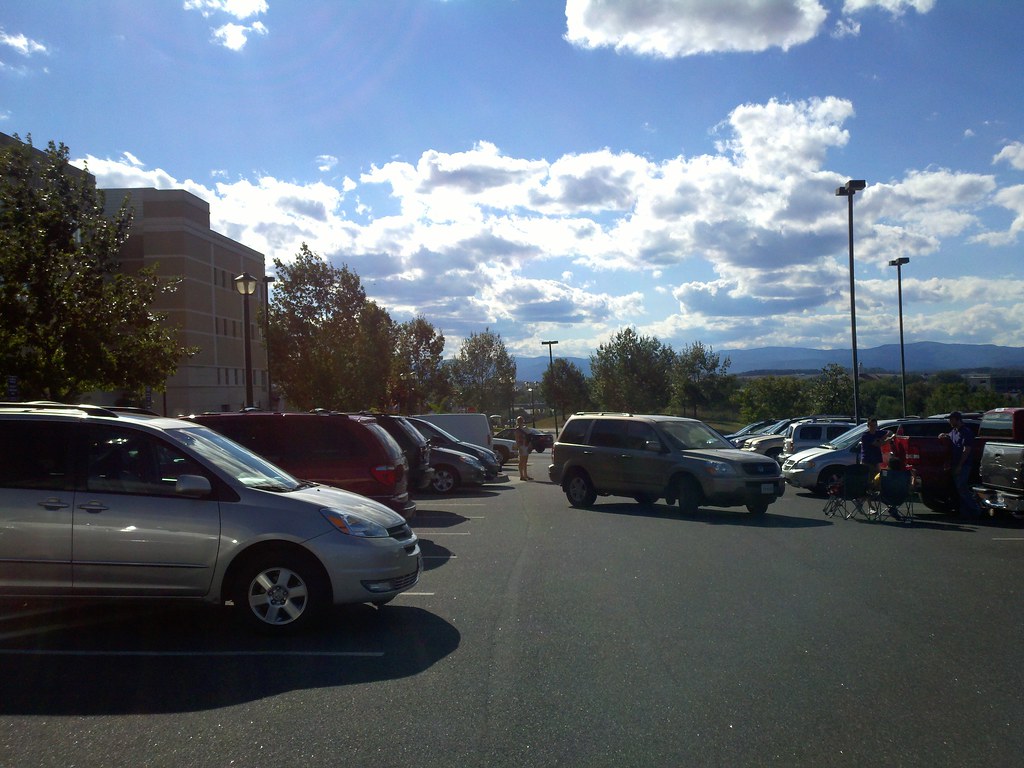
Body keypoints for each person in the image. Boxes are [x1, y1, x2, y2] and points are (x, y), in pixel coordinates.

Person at [941, 411, 982, 519]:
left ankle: (976, 509)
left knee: (962, 487)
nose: (949, 421)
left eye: (951, 419)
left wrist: (960, 465)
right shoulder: (954, 431)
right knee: (959, 489)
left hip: (964, 464)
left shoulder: (966, 432)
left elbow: (967, 449)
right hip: (954, 463)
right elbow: (949, 437)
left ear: (957, 419)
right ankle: (965, 512)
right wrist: (943, 435)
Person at [514, 415, 532, 481]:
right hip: (521, 446)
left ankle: (526, 475)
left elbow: (529, 436)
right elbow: (517, 440)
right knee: (521, 461)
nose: (521, 422)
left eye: (521, 420)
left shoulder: (525, 428)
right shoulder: (517, 430)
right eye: (519, 421)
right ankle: (521, 475)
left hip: (526, 445)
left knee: (525, 461)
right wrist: (519, 448)